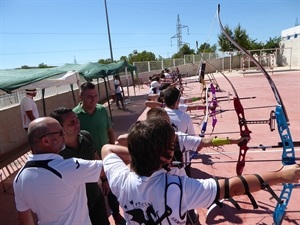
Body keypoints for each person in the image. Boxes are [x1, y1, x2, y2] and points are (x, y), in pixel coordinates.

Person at [101, 117, 300, 225]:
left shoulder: (119, 178)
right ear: (164, 155)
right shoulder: (178, 188)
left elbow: (107, 149)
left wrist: (142, 154)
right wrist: (282, 175)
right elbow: (233, 187)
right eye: (171, 147)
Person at [117, 107, 247, 225]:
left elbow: (206, 141)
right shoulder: (143, 141)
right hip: (153, 192)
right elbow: (119, 139)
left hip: (178, 193)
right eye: (164, 125)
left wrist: (235, 140)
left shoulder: (176, 138)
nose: (169, 128)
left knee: (190, 219)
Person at [13, 117, 106, 225]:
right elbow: (109, 168)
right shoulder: (68, 167)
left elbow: (24, 219)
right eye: (60, 133)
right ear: (46, 141)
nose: (64, 135)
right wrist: (108, 149)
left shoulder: (19, 178)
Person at [73, 81, 126, 225]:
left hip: (106, 158)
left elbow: (109, 131)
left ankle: (116, 214)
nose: (94, 99)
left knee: (112, 189)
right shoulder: (74, 116)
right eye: (90, 96)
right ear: (81, 97)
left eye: (96, 96)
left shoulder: (102, 110)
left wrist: (112, 148)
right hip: (89, 162)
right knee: (94, 194)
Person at [50, 107, 110, 225]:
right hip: (75, 208)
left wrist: (104, 179)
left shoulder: (86, 136)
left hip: (95, 197)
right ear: (60, 128)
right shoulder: (56, 153)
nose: (77, 123)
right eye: (71, 123)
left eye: (77, 119)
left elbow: (95, 157)